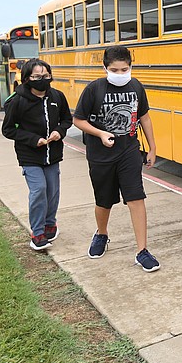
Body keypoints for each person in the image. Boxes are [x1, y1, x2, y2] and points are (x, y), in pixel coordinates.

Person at [72, 45, 159, 272]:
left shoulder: (136, 86)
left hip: (129, 150)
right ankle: (101, 234)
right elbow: (78, 120)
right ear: (105, 68)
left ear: (131, 66)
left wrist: (152, 147)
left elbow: (145, 118)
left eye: (124, 69)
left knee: (136, 197)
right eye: (115, 70)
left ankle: (142, 250)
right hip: (100, 155)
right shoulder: (94, 89)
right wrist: (100, 134)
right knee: (104, 200)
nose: (120, 74)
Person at [2, 58, 72, 251]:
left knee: (52, 191)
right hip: (30, 156)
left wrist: (60, 131)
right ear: (27, 78)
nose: (42, 79)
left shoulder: (57, 97)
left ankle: (51, 223)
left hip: (53, 154)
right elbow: (8, 130)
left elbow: (67, 119)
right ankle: (37, 233)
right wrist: (33, 140)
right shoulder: (18, 101)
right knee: (39, 190)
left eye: (46, 76)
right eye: (37, 76)